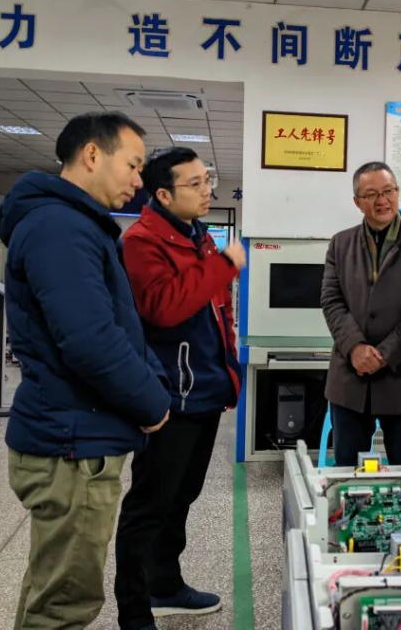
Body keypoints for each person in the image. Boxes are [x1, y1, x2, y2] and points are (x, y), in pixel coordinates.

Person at [0, 111, 171, 630]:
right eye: (133, 166)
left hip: (74, 433)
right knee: (65, 604)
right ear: (93, 154)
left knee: (51, 588)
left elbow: (116, 324)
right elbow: (89, 341)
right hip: (72, 444)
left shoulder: (74, 224)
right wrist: (152, 404)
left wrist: (151, 382)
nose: (139, 181)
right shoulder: (60, 228)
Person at [114, 147, 245, 627]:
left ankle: (165, 585)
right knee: (149, 506)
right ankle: (135, 611)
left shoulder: (197, 235)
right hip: (169, 398)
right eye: (195, 183)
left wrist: (227, 369)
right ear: (164, 194)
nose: (206, 189)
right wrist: (224, 265)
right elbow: (166, 307)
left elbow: (214, 309)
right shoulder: (142, 242)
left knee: (180, 498)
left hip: (204, 392)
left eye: (206, 179)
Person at [320, 161, 401, 466]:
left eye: (388, 191)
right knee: (348, 471)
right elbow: (332, 300)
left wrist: (384, 355)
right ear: (357, 201)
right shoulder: (340, 243)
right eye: (371, 194)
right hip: (350, 379)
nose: (382, 200)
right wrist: (355, 348)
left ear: (398, 192)